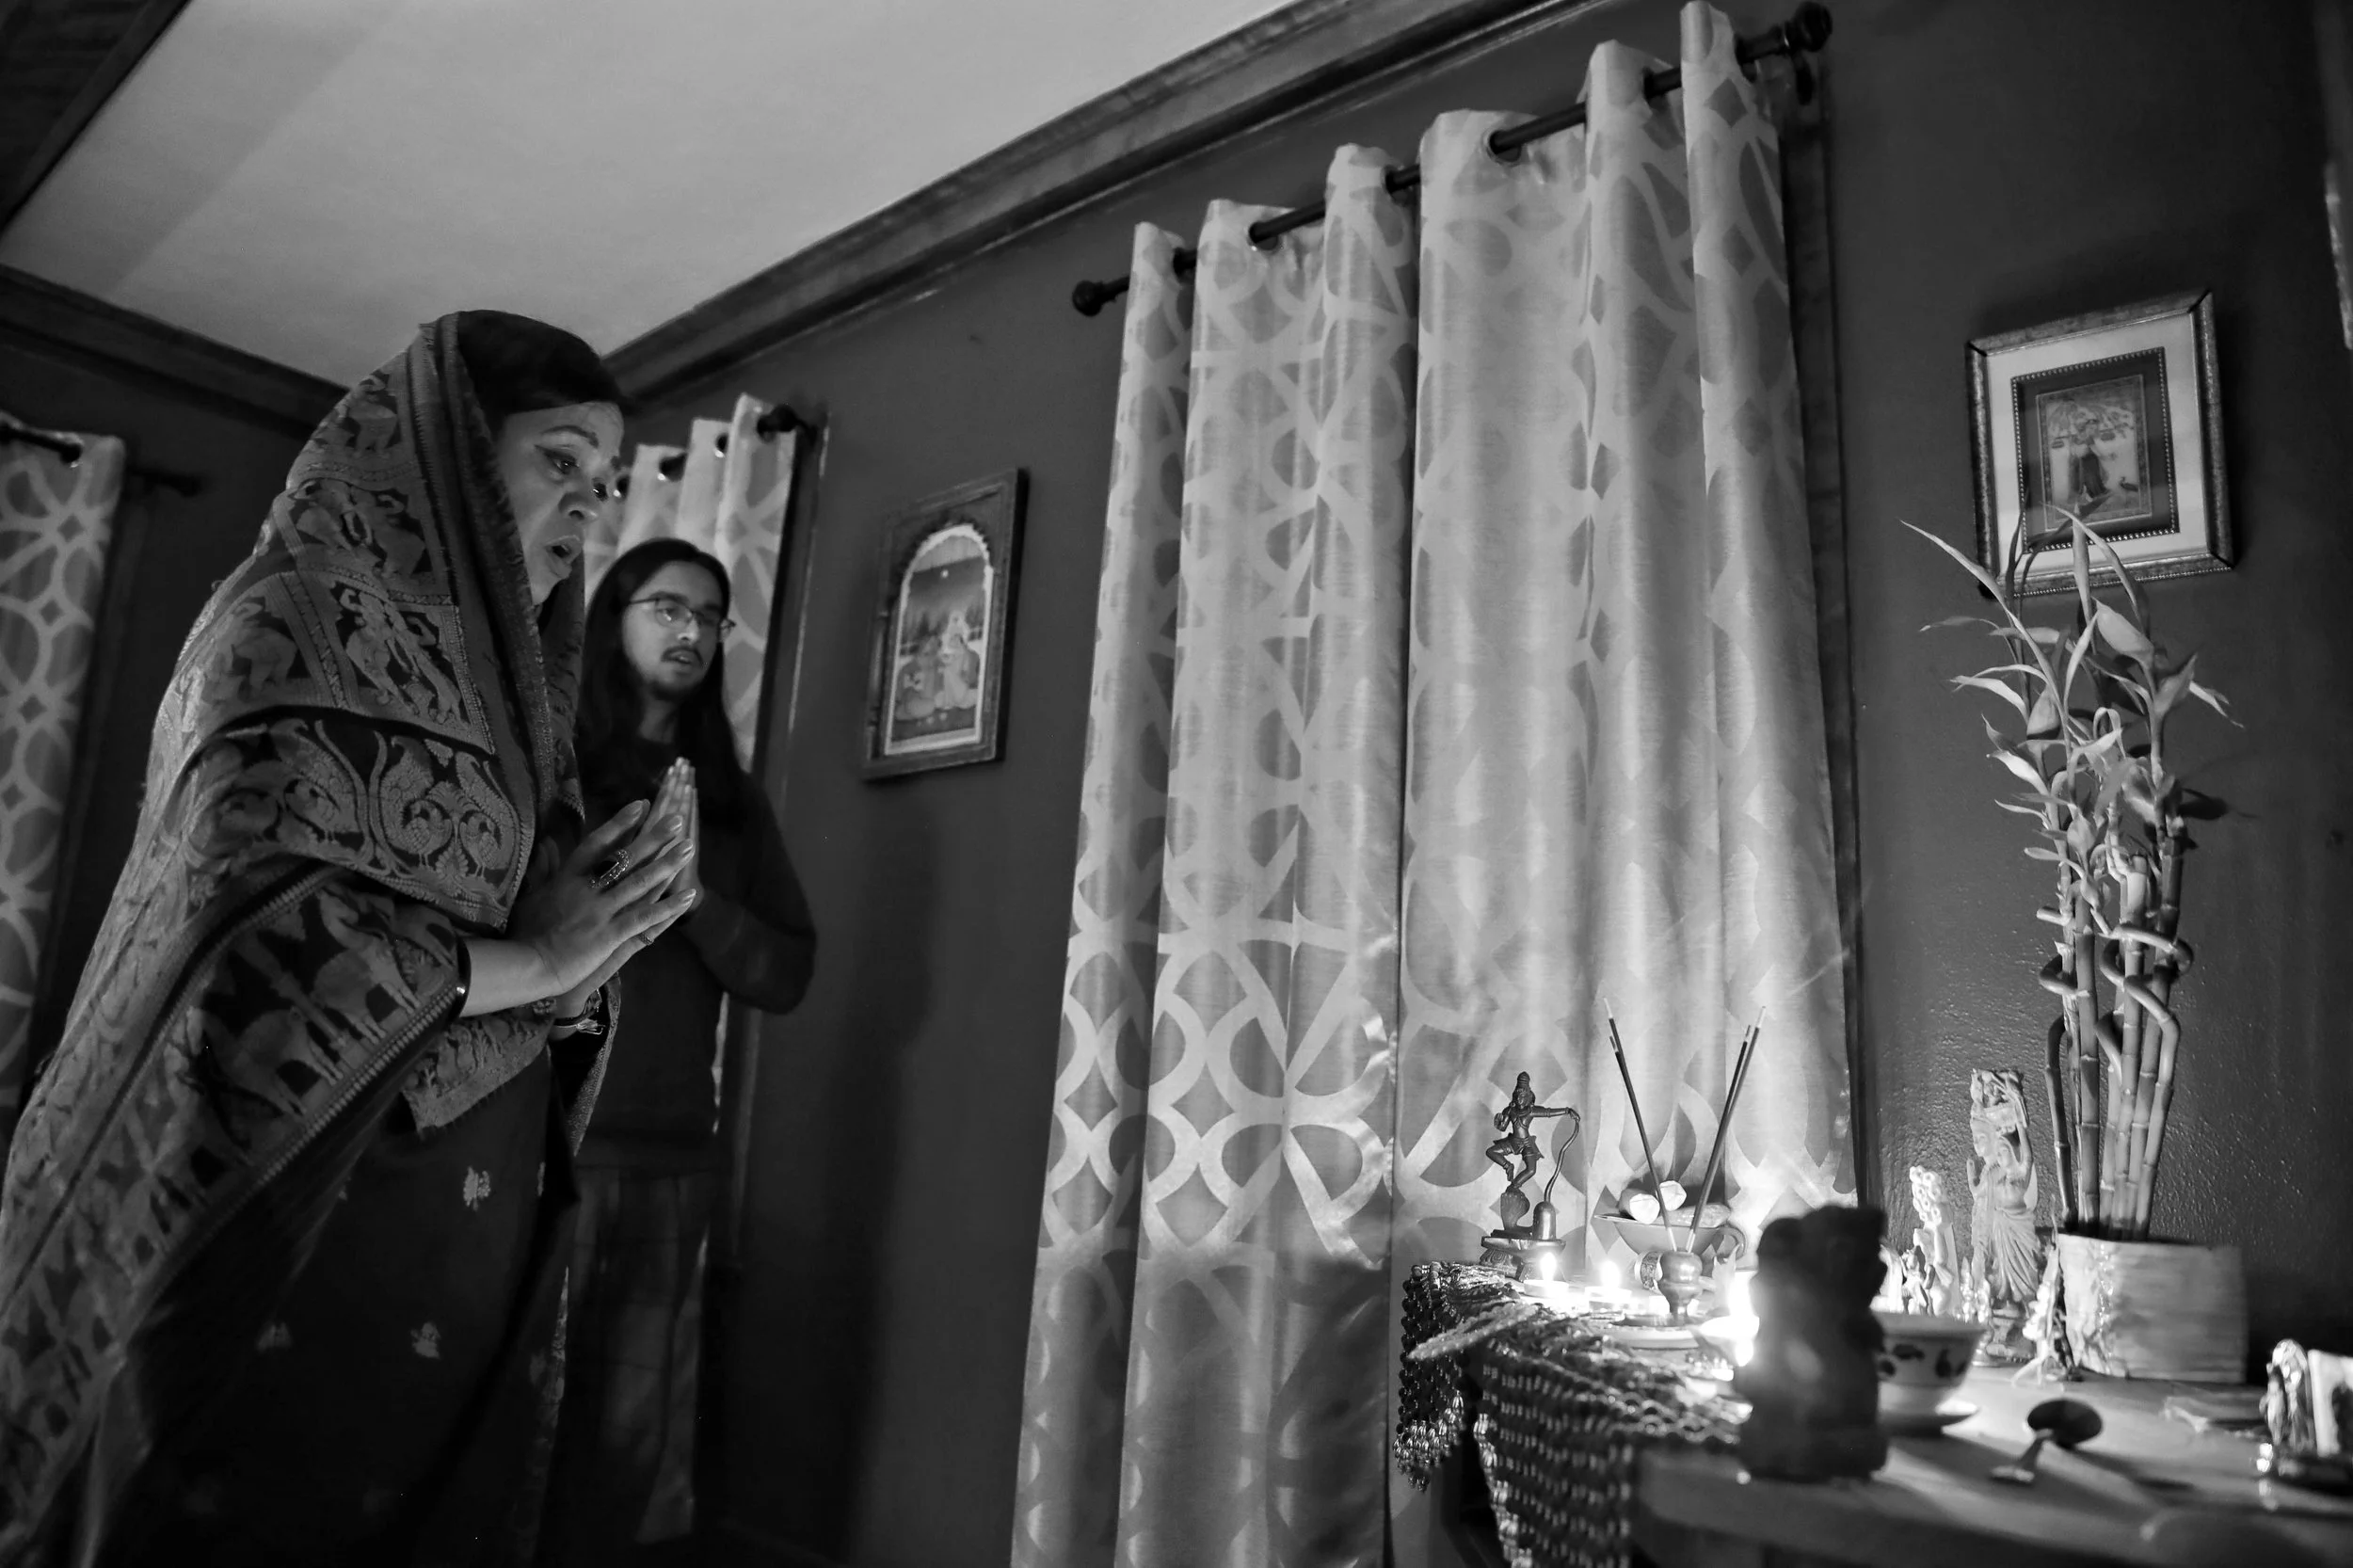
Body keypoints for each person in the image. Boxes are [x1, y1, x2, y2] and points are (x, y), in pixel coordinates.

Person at [0, 312, 696, 1566]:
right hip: (272, 1200)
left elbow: (533, 937)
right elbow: (242, 941)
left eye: (607, 481)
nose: (593, 506)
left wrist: (601, 940)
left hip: (454, 1216)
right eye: (559, 461)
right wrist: (541, 961)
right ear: (444, 457)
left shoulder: (520, 712)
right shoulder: (284, 618)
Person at [539, 539, 814, 1565]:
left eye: (711, 614)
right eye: (667, 606)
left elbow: (786, 973)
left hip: (669, 1156)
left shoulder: (733, 809)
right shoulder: (553, 768)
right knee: (515, 1405)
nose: (692, 630)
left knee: (631, 1440)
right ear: (614, 616)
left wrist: (690, 897)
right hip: (537, 1145)